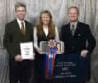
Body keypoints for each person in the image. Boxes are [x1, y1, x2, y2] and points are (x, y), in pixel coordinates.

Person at [61, 6, 96, 83]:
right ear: (68, 14)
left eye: (74, 13)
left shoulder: (85, 27)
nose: (72, 15)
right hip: (67, 60)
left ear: (78, 14)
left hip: (80, 58)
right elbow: (61, 43)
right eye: (71, 13)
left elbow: (92, 41)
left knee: (80, 80)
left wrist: (87, 50)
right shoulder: (64, 28)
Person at [3, 2, 34, 83]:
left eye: (23, 10)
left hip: (27, 61)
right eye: (19, 10)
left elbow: (32, 41)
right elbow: (6, 42)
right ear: (16, 12)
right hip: (15, 61)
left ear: (25, 12)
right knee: (13, 81)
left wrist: (32, 52)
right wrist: (14, 55)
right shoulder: (9, 25)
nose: (21, 12)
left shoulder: (30, 26)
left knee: (26, 81)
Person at [33, 10, 59, 83]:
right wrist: (38, 50)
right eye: (43, 17)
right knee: (40, 76)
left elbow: (57, 41)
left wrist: (54, 51)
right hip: (39, 56)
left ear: (50, 18)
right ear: (41, 18)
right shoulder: (36, 28)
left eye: (47, 17)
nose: (45, 19)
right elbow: (35, 43)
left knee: (50, 76)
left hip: (51, 57)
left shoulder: (54, 28)